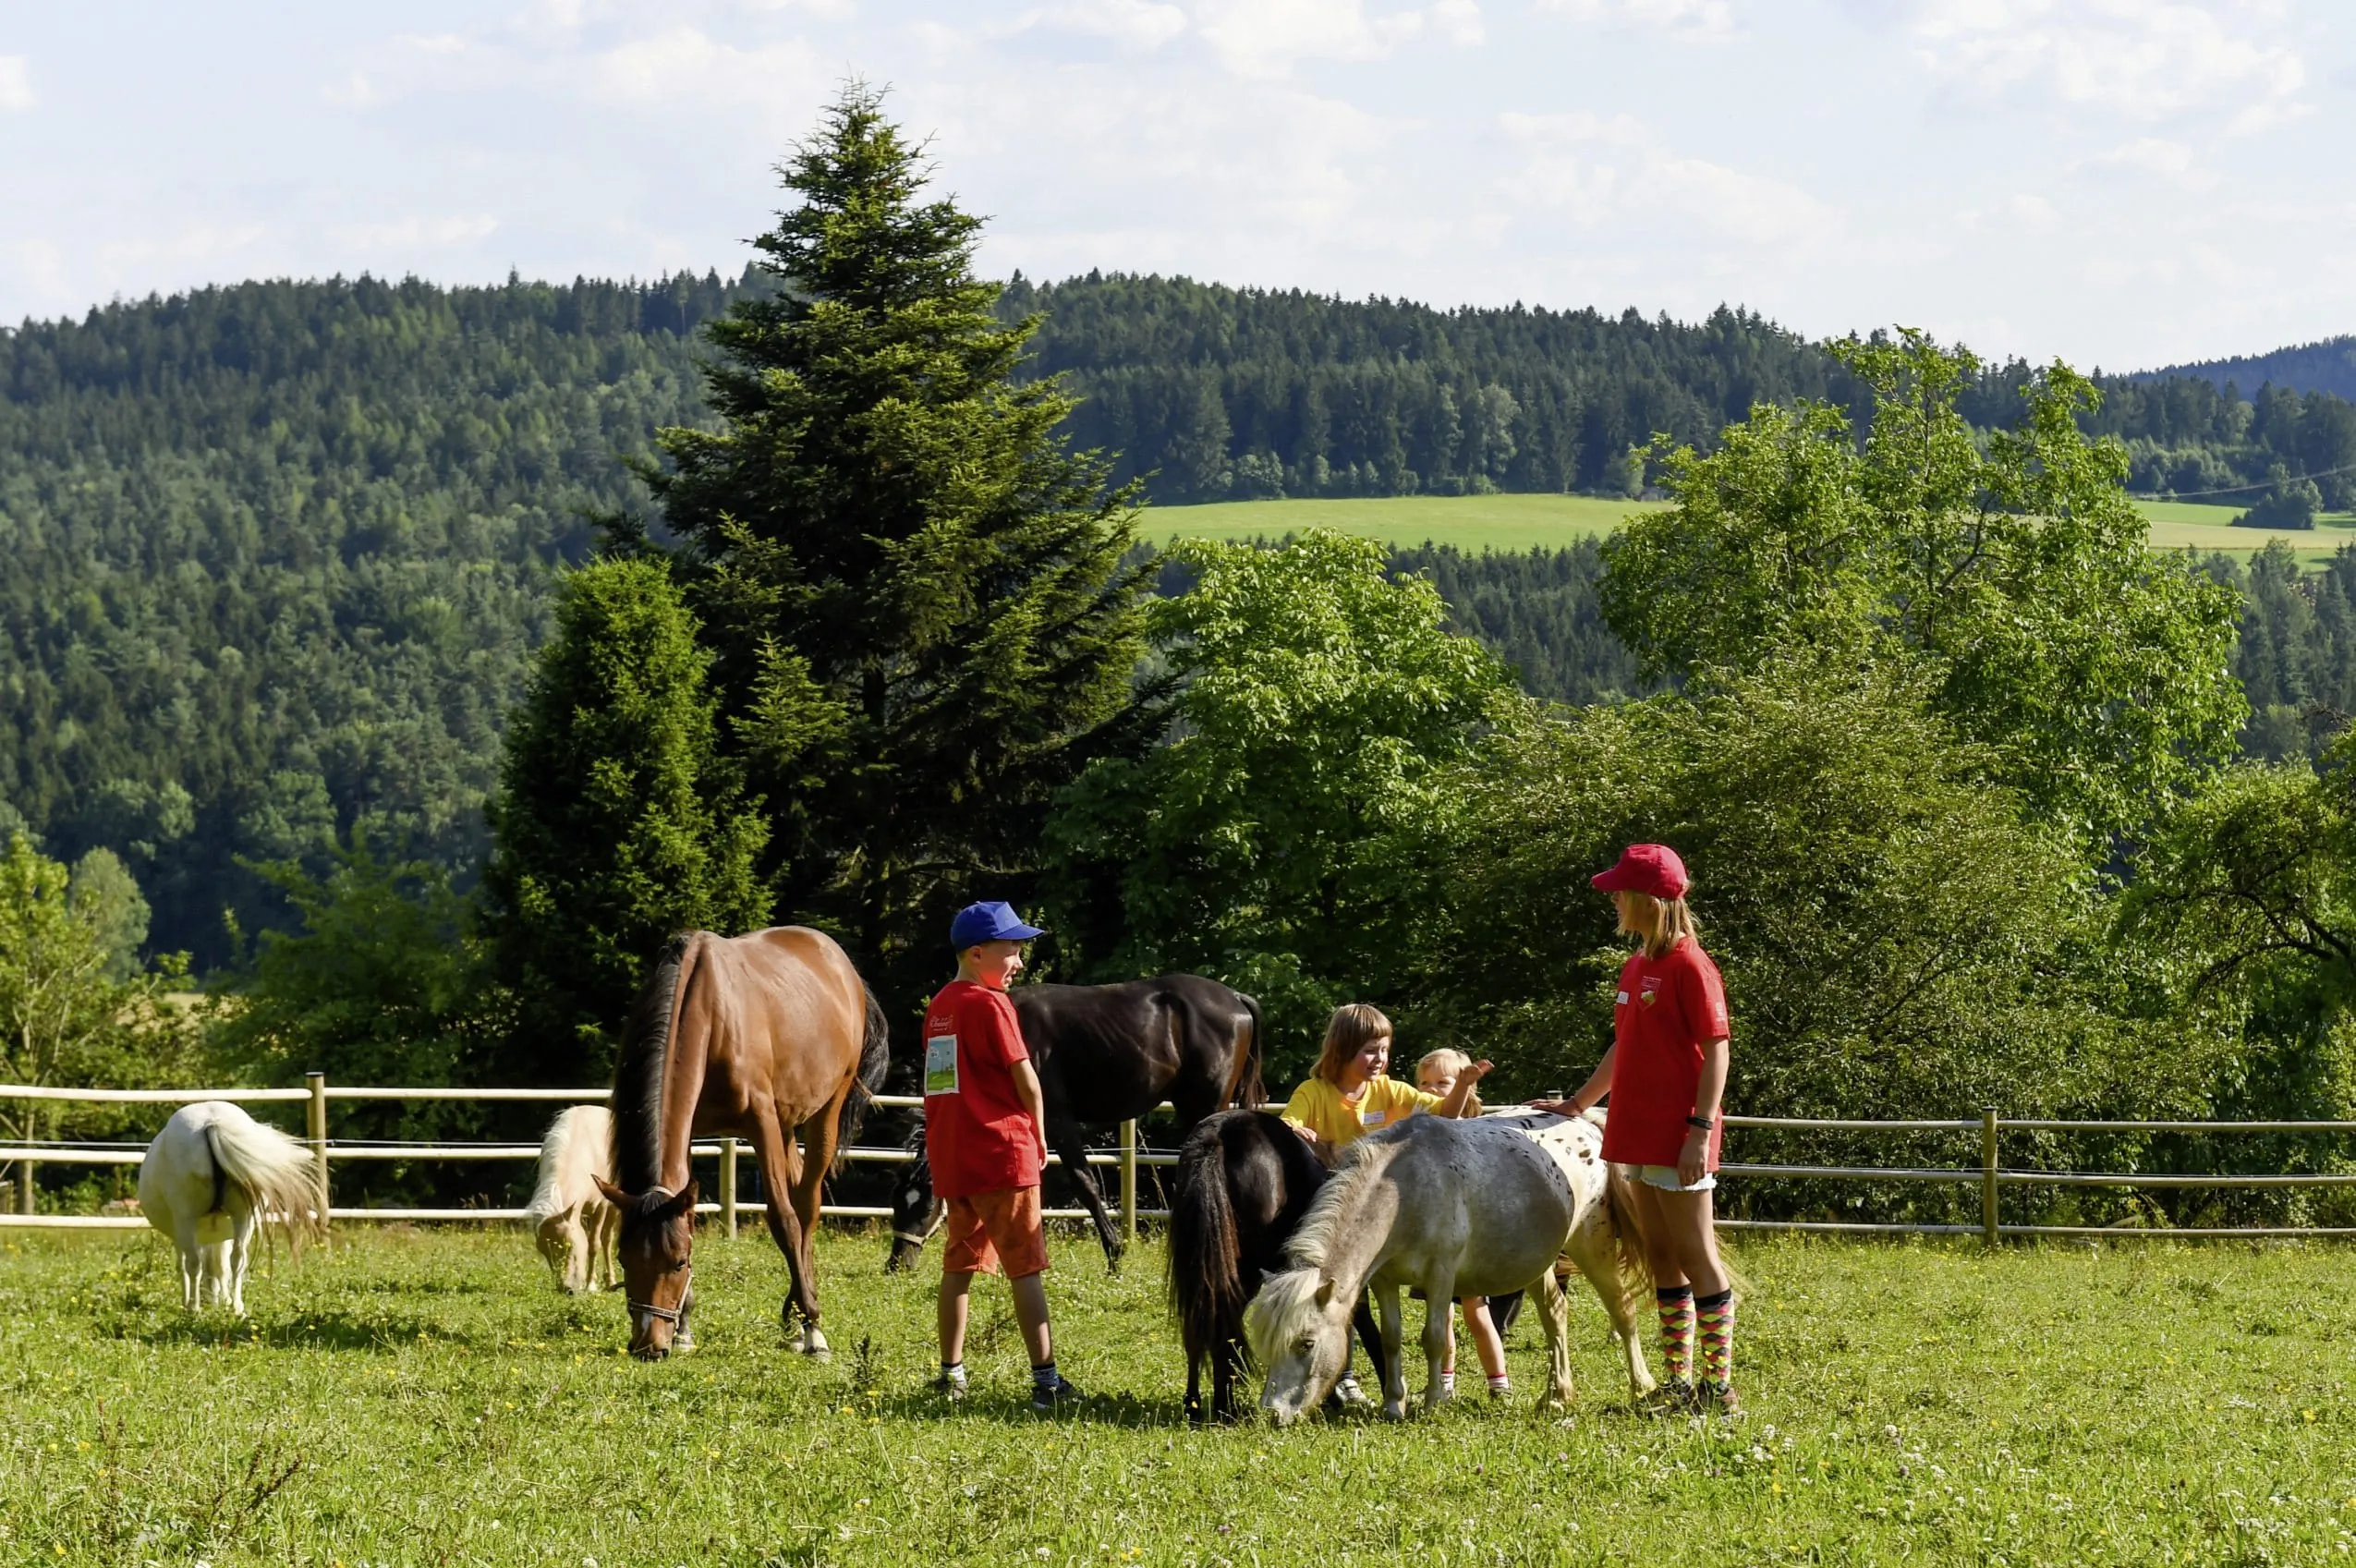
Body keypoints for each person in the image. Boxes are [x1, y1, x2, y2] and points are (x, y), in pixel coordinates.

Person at [1528, 843, 1738, 1416]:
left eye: (1621, 891)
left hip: (1679, 1134)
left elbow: (1718, 1052)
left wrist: (1699, 1129)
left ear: (1649, 899)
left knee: (1696, 1255)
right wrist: (1576, 1103)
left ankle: (1718, 1390)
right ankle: (1678, 1383)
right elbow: (1625, 1048)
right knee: (1661, 1256)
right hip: (1634, 1132)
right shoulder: (1638, 964)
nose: (1614, 899)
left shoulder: (1692, 966)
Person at [924, 900, 1082, 1413]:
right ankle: (1047, 1381)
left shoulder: (940, 1006)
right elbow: (1027, 1081)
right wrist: (1037, 1139)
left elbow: (942, 1085)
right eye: (1010, 951)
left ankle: (951, 1374)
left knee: (958, 1264)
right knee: (1026, 1266)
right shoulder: (991, 1005)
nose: (1018, 962)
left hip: (955, 1155)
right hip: (1000, 1151)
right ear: (976, 953)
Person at [1415, 1048, 1510, 1400]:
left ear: (1465, 1086)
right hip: (1433, 1238)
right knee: (1441, 1316)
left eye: (1442, 1082)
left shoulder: (1472, 1131)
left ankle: (1498, 1382)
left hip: (1468, 1239)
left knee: (1476, 1310)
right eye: (1424, 1082)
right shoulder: (1419, 1131)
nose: (1431, 1089)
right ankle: (1444, 1381)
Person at [1281, 1003, 1489, 1156]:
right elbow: (1285, 1125)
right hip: (1329, 1189)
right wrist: (1293, 1131)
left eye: (1384, 1050)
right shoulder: (1312, 1091)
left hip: (1376, 1190)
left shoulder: (1392, 1090)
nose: (1380, 1058)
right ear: (1342, 1051)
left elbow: (1447, 1112)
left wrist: (1463, 1084)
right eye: (1371, 1051)